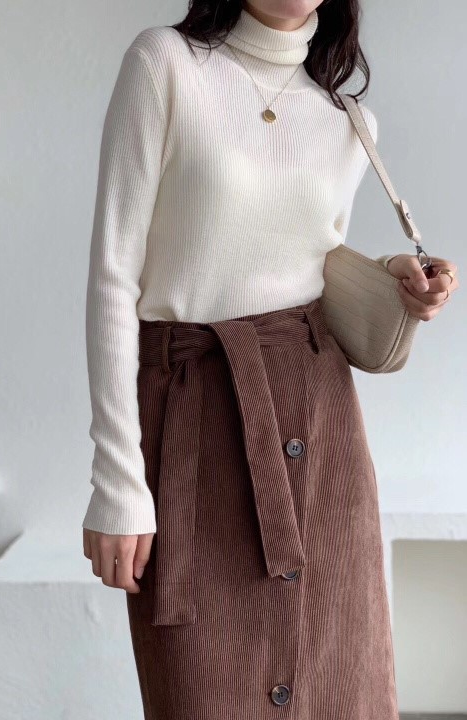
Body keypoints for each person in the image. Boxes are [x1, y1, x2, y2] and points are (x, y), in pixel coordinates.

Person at [82, 1, 459, 717]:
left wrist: (395, 281)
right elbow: (112, 279)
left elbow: (305, 263)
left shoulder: (348, 121)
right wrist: (117, 480)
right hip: (191, 417)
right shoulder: (165, 64)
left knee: (340, 688)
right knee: (205, 690)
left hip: (321, 429)